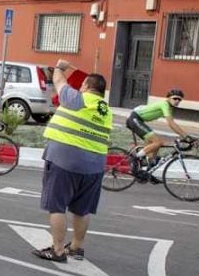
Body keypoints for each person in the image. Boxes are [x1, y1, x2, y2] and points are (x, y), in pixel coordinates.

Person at [32, 60, 111, 263]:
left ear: (85, 85)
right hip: (94, 166)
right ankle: (76, 247)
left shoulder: (77, 99)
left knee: (57, 206)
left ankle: (57, 250)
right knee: (82, 209)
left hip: (64, 161)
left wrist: (59, 66)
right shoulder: (106, 110)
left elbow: (58, 81)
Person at [126, 89, 190, 167]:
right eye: (175, 98)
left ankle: (148, 167)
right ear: (168, 98)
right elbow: (171, 123)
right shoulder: (165, 104)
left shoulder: (169, 107)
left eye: (179, 99)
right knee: (158, 142)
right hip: (135, 119)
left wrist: (185, 136)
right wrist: (186, 136)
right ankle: (135, 158)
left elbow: (172, 123)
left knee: (154, 145)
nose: (177, 101)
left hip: (139, 120)